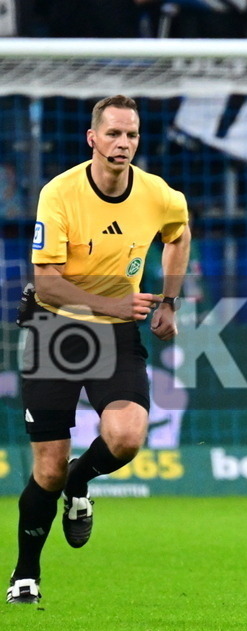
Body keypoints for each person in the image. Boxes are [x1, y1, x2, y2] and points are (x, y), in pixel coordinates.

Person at [7, 95, 191, 604]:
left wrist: (169, 301)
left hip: (115, 333)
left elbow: (179, 234)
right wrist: (112, 304)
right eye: (113, 133)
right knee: (46, 467)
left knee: (127, 437)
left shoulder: (158, 194)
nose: (122, 143)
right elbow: (46, 283)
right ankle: (26, 573)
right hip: (53, 329)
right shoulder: (59, 193)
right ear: (92, 138)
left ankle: (80, 481)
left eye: (131, 134)